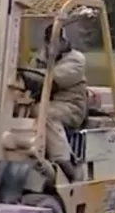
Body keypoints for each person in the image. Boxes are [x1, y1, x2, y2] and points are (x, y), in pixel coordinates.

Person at [31, 24, 87, 181]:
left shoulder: (76, 60)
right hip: (47, 102)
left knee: (45, 114)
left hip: (71, 106)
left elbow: (53, 79)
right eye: (50, 40)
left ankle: (64, 160)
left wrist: (32, 76)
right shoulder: (41, 58)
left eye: (57, 40)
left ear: (65, 41)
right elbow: (32, 73)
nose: (53, 44)